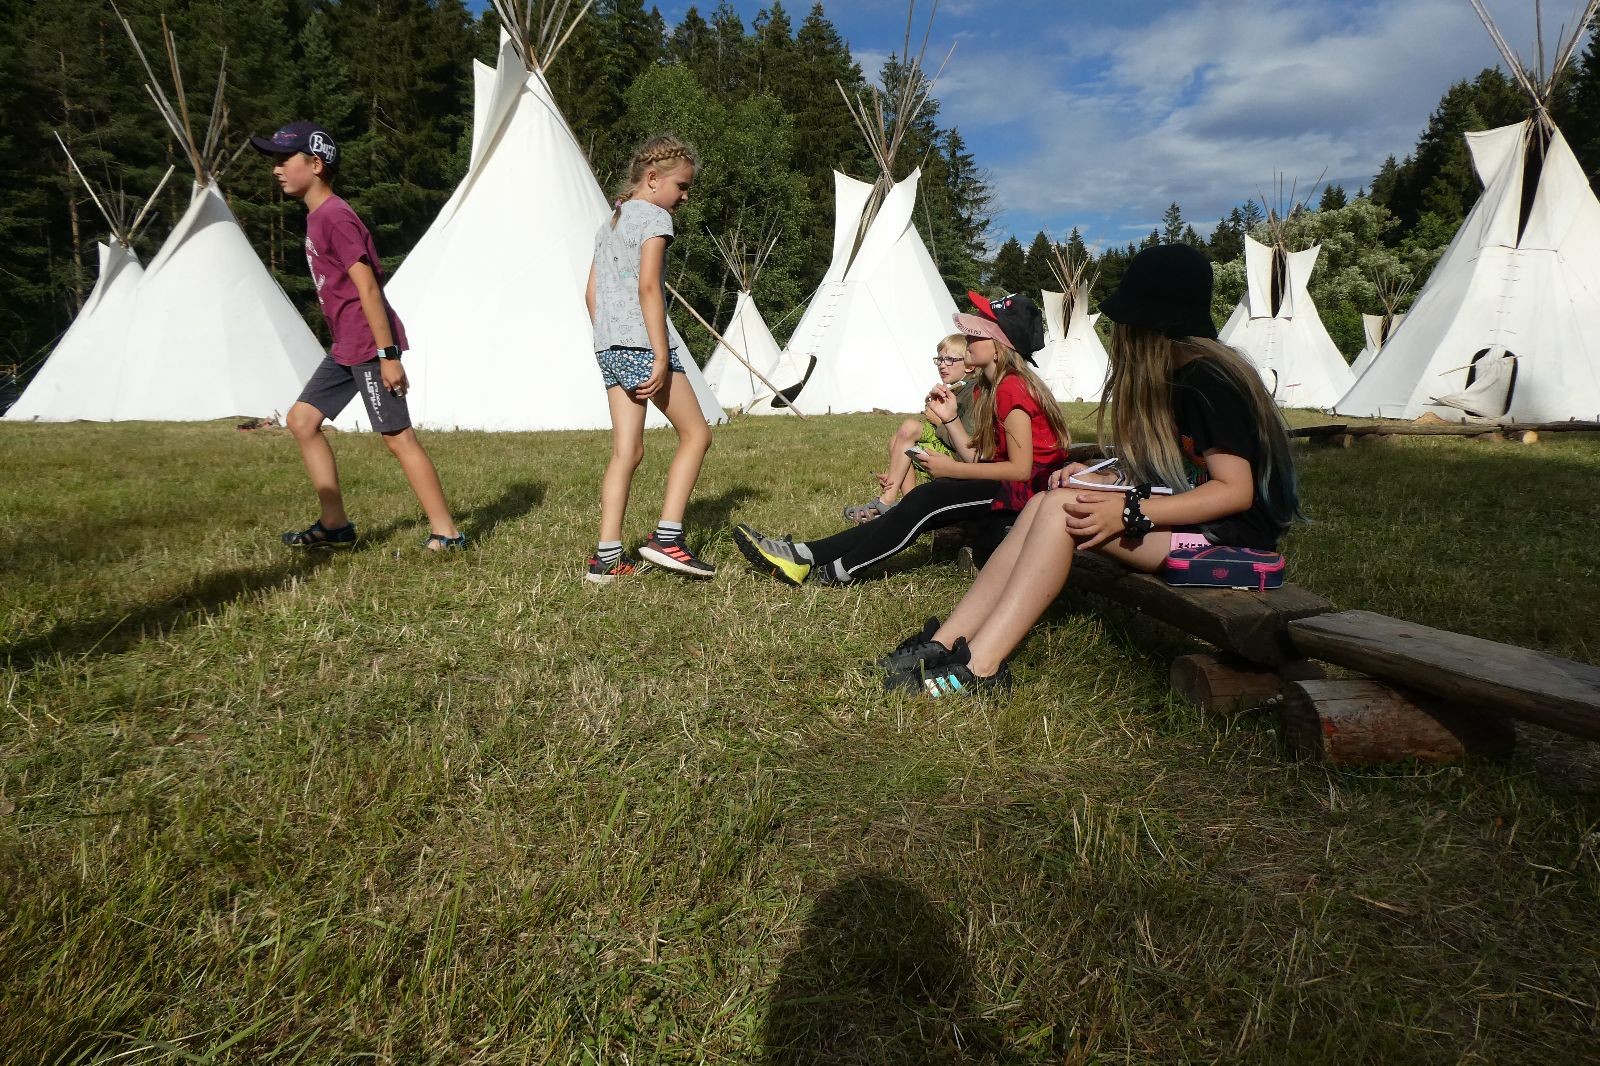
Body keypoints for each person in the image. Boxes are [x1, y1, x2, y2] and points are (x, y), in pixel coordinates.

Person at [880, 244, 1301, 696]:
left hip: (1231, 543)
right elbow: (1173, 471)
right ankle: (948, 641)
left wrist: (1129, 513)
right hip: (1196, 525)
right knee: (1046, 501)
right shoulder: (1180, 378)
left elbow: (1235, 491)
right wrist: (1105, 478)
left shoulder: (1209, 383)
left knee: (1063, 511)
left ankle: (982, 667)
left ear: (1143, 325)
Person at [734, 293, 1069, 586]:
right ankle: (805, 555)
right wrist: (951, 420)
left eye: (977, 333)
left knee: (927, 498)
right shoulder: (990, 387)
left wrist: (951, 469)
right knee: (922, 499)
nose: (968, 338)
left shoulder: (1011, 387)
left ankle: (836, 569)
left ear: (999, 347)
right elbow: (982, 460)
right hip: (1012, 488)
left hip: (1029, 495)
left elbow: (1020, 470)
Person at [250, 122, 465, 551]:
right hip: (345, 346)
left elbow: (368, 287)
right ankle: (335, 526)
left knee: (398, 438)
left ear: (316, 164)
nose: (276, 168)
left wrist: (388, 355)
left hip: (369, 345)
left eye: (284, 159)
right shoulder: (317, 216)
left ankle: (448, 533)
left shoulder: (335, 216)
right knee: (301, 421)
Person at [586, 135, 715, 584]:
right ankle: (667, 538)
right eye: (682, 186)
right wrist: (660, 354)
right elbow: (648, 287)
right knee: (697, 435)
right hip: (643, 346)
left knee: (627, 451)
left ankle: (606, 558)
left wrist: (609, 340)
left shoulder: (611, 222)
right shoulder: (656, 218)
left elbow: (591, 294)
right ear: (654, 178)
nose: (685, 196)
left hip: (608, 348)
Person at [842, 334, 980, 524]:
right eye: (939, 359)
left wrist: (939, 422)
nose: (942, 365)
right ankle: (911, 506)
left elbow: (968, 444)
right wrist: (894, 473)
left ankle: (888, 501)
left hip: (961, 462)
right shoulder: (954, 389)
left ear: (969, 365)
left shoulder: (974, 394)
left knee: (909, 427)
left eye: (950, 359)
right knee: (897, 442)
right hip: (946, 447)